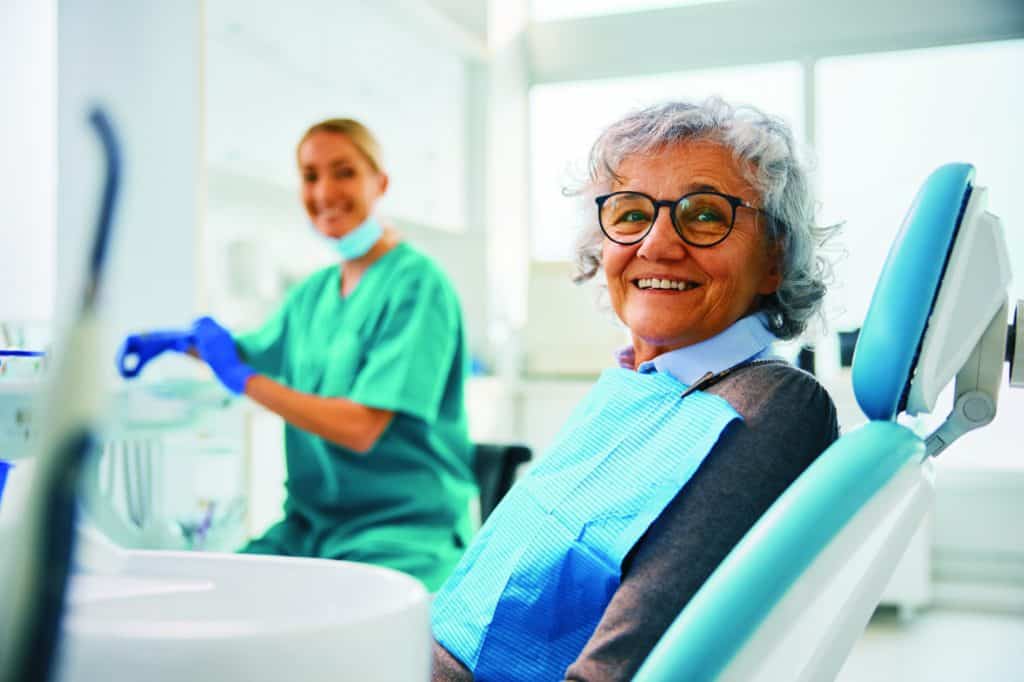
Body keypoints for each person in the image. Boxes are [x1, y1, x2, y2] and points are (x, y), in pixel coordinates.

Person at [430, 98, 840, 680]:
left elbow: (620, 669)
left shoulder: (766, 403)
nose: (657, 244)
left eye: (704, 215)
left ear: (775, 256)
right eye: (629, 213)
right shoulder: (640, 384)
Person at [117, 118, 477, 591]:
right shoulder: (313, 294)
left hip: (400, 535)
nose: (325, 190)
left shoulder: (417, 285)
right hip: (309, 530)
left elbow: (361, 427)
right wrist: (179, 342)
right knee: (208, 593)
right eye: (310, 176)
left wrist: (244, 381)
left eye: (344, 172)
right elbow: (250, 352)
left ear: (380, 182)